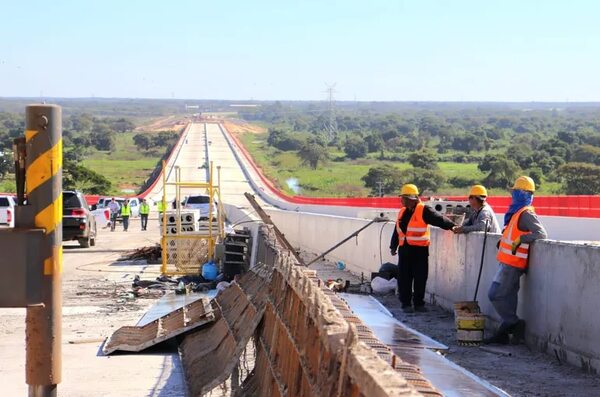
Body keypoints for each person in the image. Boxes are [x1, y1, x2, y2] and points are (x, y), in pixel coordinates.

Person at [485, 176, 548, 345]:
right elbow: (512, 233)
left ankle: (513, 323)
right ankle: (505, 332)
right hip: (507, 261)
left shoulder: (526, 213)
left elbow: (541, 234)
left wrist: (521, 240)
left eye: (517, 192)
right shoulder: (517, 212)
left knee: (495, 294)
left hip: (513, 264)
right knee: (509, 297)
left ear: (525, 194)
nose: (513, 195)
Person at [390, 184, 456, 313]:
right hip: (405, 250)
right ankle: (406, 304)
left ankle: (419, 304)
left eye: (403, 198)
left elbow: (439, 219)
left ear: (410, 198)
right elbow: (397, 230)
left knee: (420, 278)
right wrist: (393, 245)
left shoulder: (423, 209)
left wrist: (452, 226)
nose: (401, 200)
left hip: (419, 251)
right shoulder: (402, 212)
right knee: (404, 279)